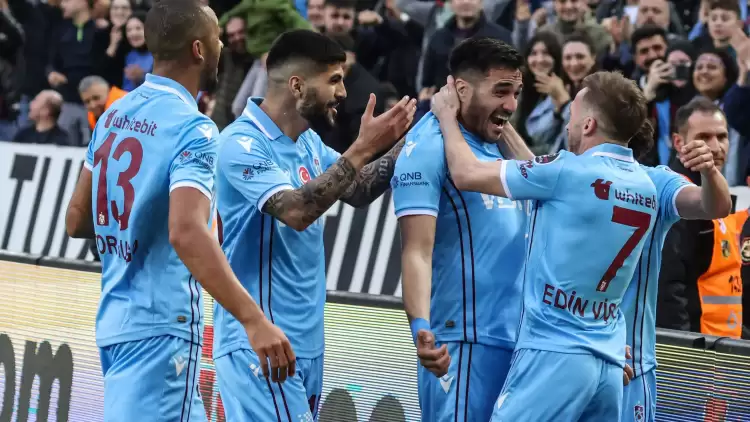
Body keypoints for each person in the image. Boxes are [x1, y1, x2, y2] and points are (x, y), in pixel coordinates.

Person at [64, 0, 293, 419]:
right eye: (217, 37)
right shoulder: (194, 128)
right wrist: (254, 320)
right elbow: (186, 233)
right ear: (199, 49)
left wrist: (135, 223)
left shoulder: (115, 112)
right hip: (161, 329)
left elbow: (77, 220)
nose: (223, 45)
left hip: (114, 321)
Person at [430, 70, 659, 420]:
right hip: (609, 363)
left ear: (588, 125)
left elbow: (466, 173)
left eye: (573, 117)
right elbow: (538, 175)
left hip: (553, 354)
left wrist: (447, 116)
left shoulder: (566, 171)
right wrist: (503, 124)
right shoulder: (646, 187)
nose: (568, 125)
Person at [213, 29, 415, 421]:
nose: (342, 92)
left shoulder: (307, 142)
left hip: (305, 344)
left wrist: (415, 138)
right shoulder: (240, 143)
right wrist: (363, 146)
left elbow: (358, 188)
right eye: (334, 80)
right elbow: (297, 212)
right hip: (261, 342)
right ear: (297, 85)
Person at [393, 37, 530, 421]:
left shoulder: (494, 143)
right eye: (501, 91)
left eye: (516, 93)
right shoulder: (428, 147)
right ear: (461, 90)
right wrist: (421, 327)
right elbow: (416, 250)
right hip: (462, 342)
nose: (511, 104)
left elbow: (540, 182)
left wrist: (500, 119)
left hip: (517, 342)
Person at [621, 98, 732, 420]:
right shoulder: (674, 196)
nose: (715, 146)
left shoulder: (721, 193)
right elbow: (670, 285)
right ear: (678, 142)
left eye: (722, 136)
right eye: (704, 137)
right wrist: (683, 356)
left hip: (725, 349)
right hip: (692, 352)